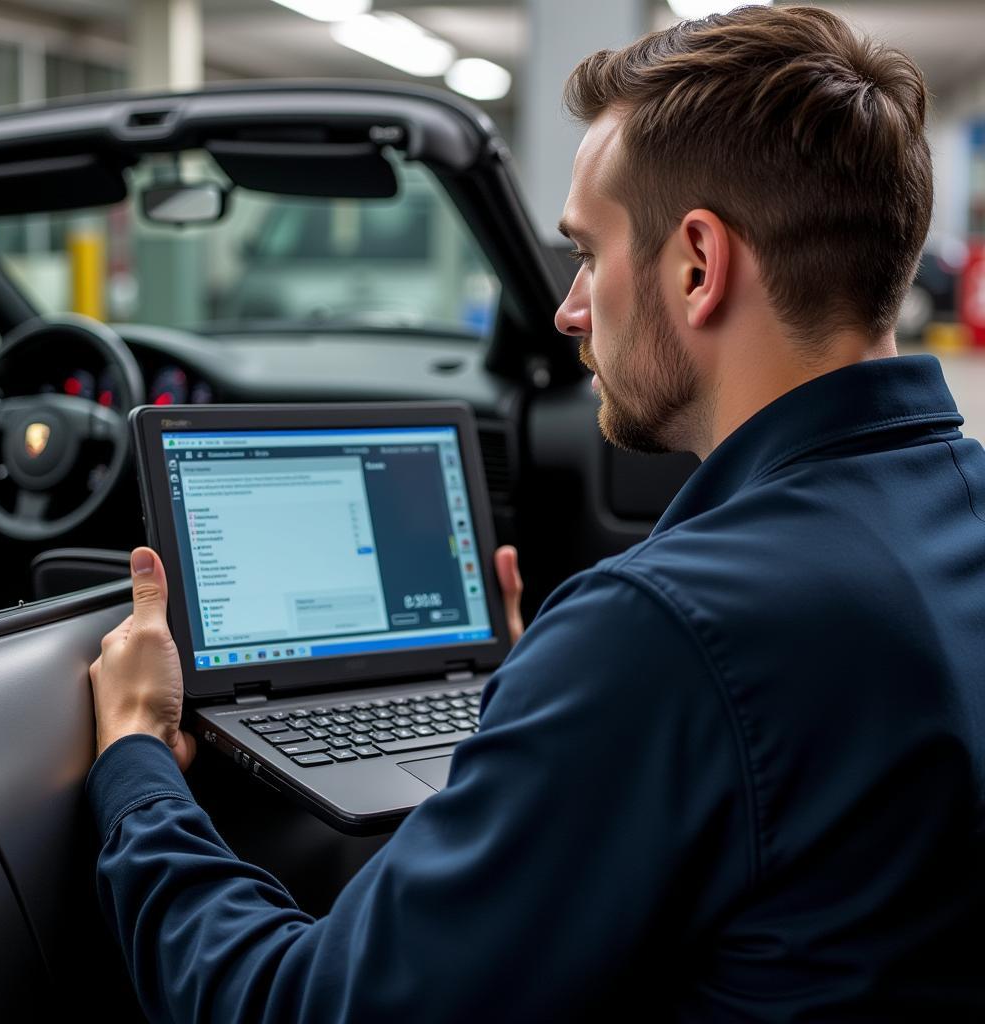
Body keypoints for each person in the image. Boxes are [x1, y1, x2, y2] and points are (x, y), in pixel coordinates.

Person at [87, 6, 985, 1021]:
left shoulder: (662, 636)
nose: (566, 311)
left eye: (587, 257)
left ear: (697, 264)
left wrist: (137, 761)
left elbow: (298, 1006)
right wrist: (548, 707)